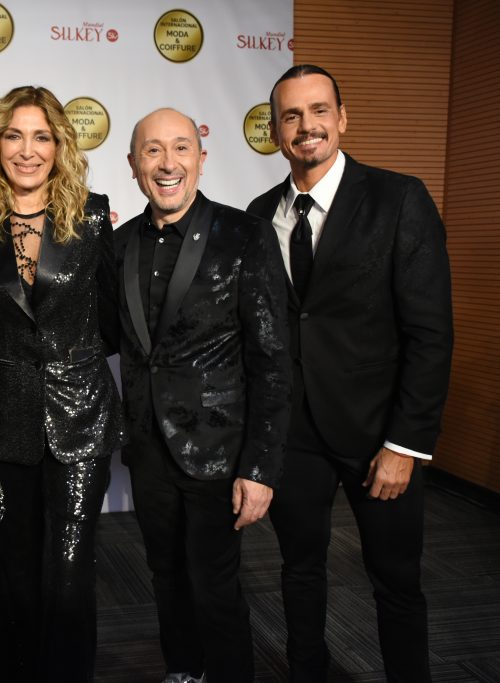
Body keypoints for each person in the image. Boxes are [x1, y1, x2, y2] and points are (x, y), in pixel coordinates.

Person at [247, 65, 453, 682]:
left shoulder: (399, 198)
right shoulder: (259, 214)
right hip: (295, 435)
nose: (305, 126)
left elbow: (430, 333)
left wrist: (405, 445)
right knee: (299, 571)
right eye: (290, 115)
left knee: (396, 581)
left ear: (342, 118)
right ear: (275, 131)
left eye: (318, 111)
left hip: (378, 436)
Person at [0, 85, 123, 682]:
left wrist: (75, 361)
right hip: (7, 416)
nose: (28, 151)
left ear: (59, 146)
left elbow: (113, 316)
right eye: (14, 136)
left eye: (42, 137)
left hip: (82, 415)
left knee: (71, 570)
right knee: (15, 570)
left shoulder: (93, 215)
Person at [114, 108, 291, 683]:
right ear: (134, 164)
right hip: (147, 450)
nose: (168, 163)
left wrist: (260, 468)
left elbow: (271, 359)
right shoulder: (118, 244)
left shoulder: (244, 235)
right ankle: (183, 671)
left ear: (201, 158)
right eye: (153, 150)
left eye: (181, 148)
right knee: (164, 574)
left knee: (215, 584)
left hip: (220, 452)